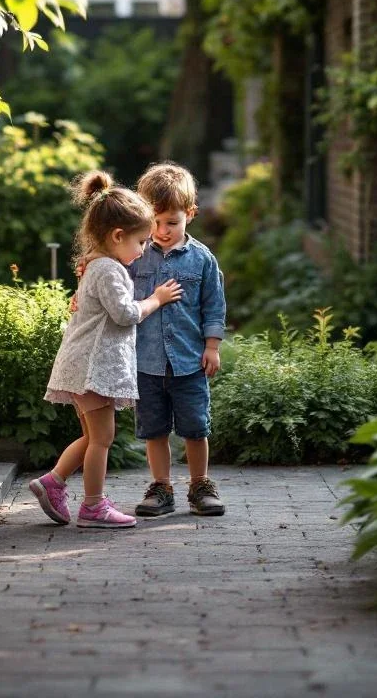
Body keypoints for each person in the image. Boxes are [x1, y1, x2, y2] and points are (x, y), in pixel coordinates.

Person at [29, 170, 183, 529]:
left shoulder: (93, 265)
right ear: (117, 236)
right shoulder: (110, 271)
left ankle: (52, 483)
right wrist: (155, 300)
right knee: (102, 439)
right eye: (141, 241)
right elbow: (126, 314)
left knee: (90, 436)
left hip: (84, 366)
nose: (144, 249)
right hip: (94, 368)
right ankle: (94, 506)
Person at [130, 162, 227, 517]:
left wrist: (212, 346)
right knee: (154, 430)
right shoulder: (134, 256)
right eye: (154, 222)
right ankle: (161, 487)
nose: (162, 230)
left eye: (172, 222)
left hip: (188, 361)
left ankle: (200, 484)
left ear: (190, 214)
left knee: (195, 427)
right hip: (147, 361)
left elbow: (214, 305)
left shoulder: (202, 259)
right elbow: (113, 286)